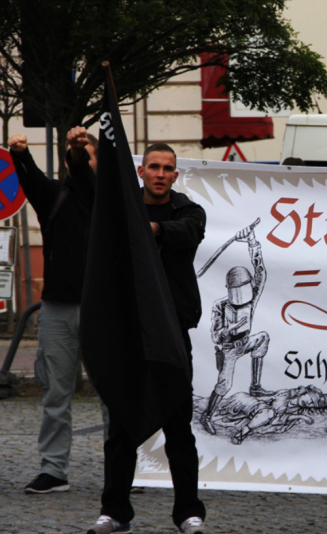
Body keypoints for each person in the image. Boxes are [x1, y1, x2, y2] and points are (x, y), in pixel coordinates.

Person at [88, 143, 208, 534]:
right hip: (129, 337)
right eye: (153, 167)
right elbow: (88, 191)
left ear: (176, 175)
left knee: (178, 427)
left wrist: (150, 228)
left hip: (172, 337)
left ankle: (188, 512)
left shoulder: (187, 210)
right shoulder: (121, 212)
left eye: (167, 168)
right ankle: (115, 511)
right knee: (122, 429)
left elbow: (187, 232)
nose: (160, 173)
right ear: (141, 172)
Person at [8, 128, 104, 495]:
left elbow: (87, 180)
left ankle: (123, 467)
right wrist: (20, 154)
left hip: (102, 310)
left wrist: (79, 157)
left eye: (88, 154)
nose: (80, 159)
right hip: (58, 310)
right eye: (76, 154)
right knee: (55, 394)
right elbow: (30, 180)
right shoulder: (54, 196)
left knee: (112, 394)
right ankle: (54, 470)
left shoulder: (109, 199)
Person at [200, 226, 269, 435]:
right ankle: (207, 416)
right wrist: (230, 329)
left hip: (245, 342)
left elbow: (261, 272)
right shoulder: (220, 306)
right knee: (224, 384)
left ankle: (255, 386)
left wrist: (252, 241)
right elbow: (215, 335)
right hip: (229, 348)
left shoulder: (252, 299)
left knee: (263, 338)